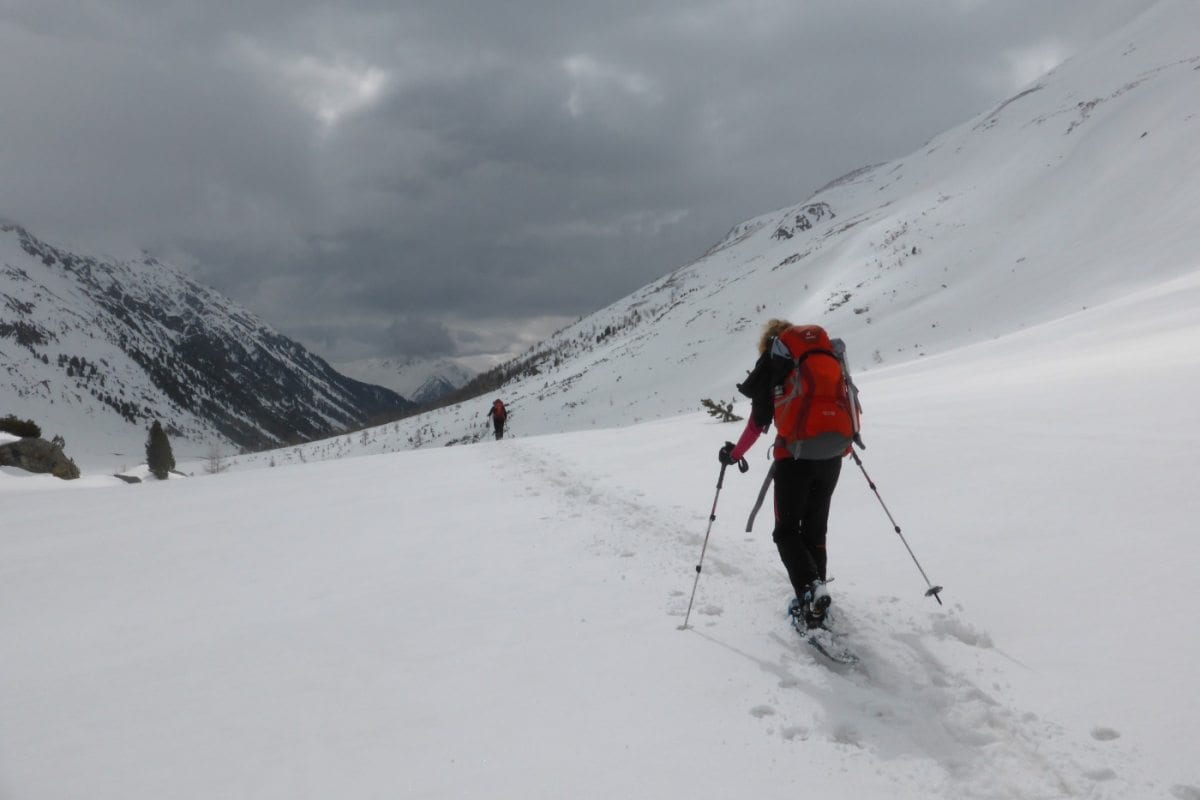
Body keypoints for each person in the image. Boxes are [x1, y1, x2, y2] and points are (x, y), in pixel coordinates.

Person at [718, 319, 860, 631]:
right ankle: (817, 594)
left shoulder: (776, 363)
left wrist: (734, 454)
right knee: (815, 530)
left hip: (794, 460)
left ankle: (810, 592)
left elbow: (757, 423)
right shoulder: (820, 359)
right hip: (832, 456)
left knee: (785, 532)